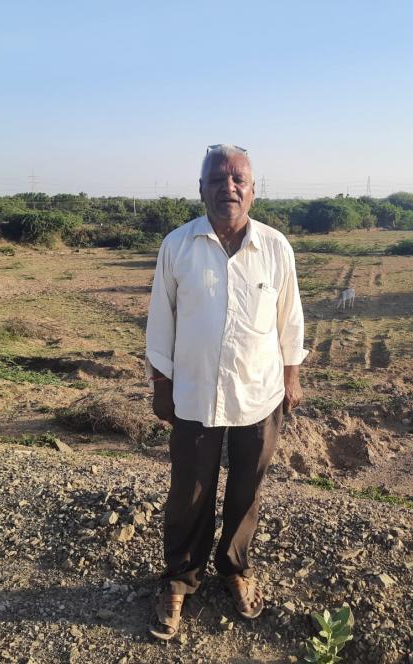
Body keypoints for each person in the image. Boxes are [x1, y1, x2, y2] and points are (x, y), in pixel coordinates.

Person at [144, 144, 308, 640]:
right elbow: (160, 319)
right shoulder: (177, 245)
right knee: (189, 491)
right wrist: (160, 382)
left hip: (258, 395)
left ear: (253, 190)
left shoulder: (276, 247)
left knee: (245, 488)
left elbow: (290, 319)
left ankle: (235, 567)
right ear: (201, 189)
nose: (228, 187)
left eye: (238, 179)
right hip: (193, 393)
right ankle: (179, 578)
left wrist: (292, 377)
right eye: (217, 178)